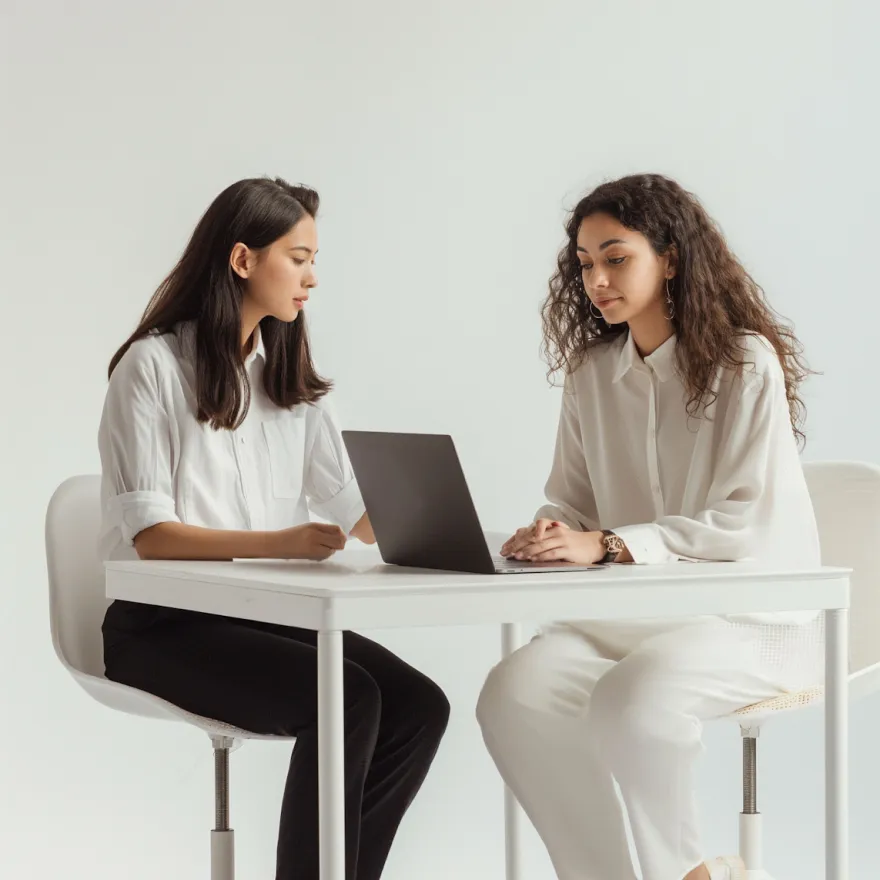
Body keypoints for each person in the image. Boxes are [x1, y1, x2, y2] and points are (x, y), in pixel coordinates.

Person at [98, 177, 449, 880]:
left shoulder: (289, 381)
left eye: (314, 260)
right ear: (242, 260)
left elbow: (359, 518)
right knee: (347, 698)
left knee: (419, 706)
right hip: (159, 627)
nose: (312, 278)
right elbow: (153, 538)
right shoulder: (152, 367)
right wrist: (282, 543)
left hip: (262, 616)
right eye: (299, 258)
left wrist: (457, 526)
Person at [476, 173, 822, 880]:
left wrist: (607, 544)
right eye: (584, 264)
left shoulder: (744, 363)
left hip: (752, 616)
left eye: (616, 258)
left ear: (669, 258)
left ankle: (685, 873)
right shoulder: (591, 373)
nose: (596, 280)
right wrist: (549, 533)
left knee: (634, 698)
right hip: (632, 616)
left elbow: (740, 522)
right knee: (514, 692)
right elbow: (571, 500)